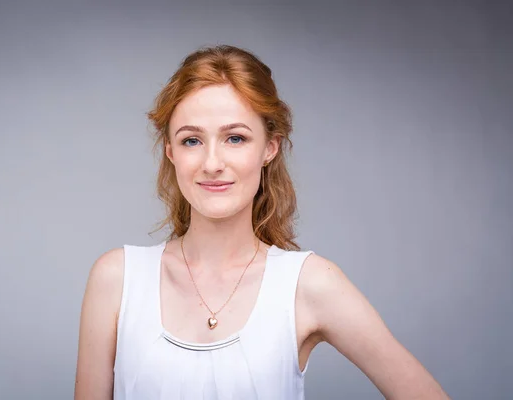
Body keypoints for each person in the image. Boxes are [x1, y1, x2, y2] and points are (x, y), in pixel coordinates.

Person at [74, 45, 450, 399]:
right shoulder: (117, 279)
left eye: (235, 138)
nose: (212, 163)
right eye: (192, 141)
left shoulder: (308, 284)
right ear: (170, 151)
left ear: (269, 148)